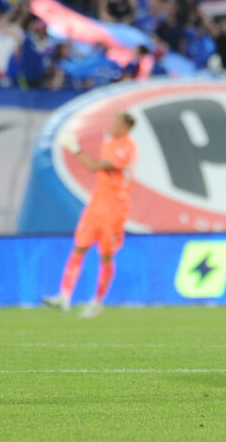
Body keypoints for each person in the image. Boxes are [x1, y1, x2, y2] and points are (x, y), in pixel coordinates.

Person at [43, 113, 138, 318]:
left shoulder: (126, 148)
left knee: (105, 256)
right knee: (79, 248)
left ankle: (97, 302)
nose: (111, 124)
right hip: (96, 206)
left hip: (114, 211)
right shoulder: (110, 143)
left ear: (125, 127)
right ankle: (65, 296)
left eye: (115, 122)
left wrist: (74, 148)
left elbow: (95, 166)